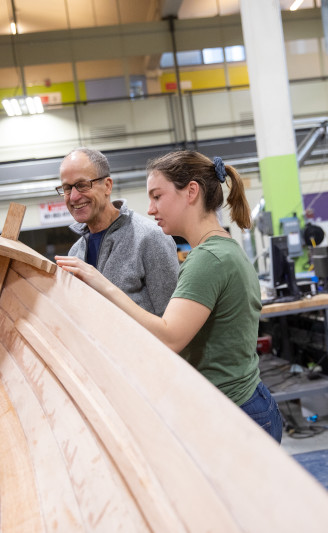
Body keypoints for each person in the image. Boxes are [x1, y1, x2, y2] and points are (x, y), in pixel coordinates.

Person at [56, 150, 283, 442]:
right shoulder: (216, 251)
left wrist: (102, 284)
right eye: (66, 188)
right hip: (227, 406)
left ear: (191, 192)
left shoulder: (207, 258)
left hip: (233, 411)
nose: (150, 209)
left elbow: (170, 337)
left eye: (157, 196)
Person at [58, 147, 178, 316]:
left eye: (82, 185)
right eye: (67, 188)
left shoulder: (149, 238)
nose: (73, 197)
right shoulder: (75, 253)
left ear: (107, 186)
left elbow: (171, 320)